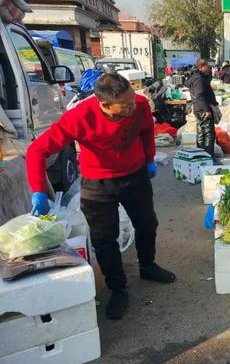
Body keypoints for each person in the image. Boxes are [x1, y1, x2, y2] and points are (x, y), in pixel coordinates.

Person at [27, 73, 176, 320]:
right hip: (98, 182)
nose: (132, 106)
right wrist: (38, 191)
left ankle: (148, 266)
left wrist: (149, 159)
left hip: (135, 175)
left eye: (132, 100)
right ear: (104, 104)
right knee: (105, 238)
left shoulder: (138, 105)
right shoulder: (79, 117)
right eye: (125, 105)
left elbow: (147, 129)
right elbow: (37, 150)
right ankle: (118, 288)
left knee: (147, 223)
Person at [187, 59, 218, 158]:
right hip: (202, 110)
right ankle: (208, 156)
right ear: (200, 67)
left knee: (202, 132)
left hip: (199, 108)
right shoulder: (198, 79)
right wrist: (206, 110)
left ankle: (203, 156)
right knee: (208, 133)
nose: (208, 68)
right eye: (206, 66)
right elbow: (199, 95)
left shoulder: (199, 77)